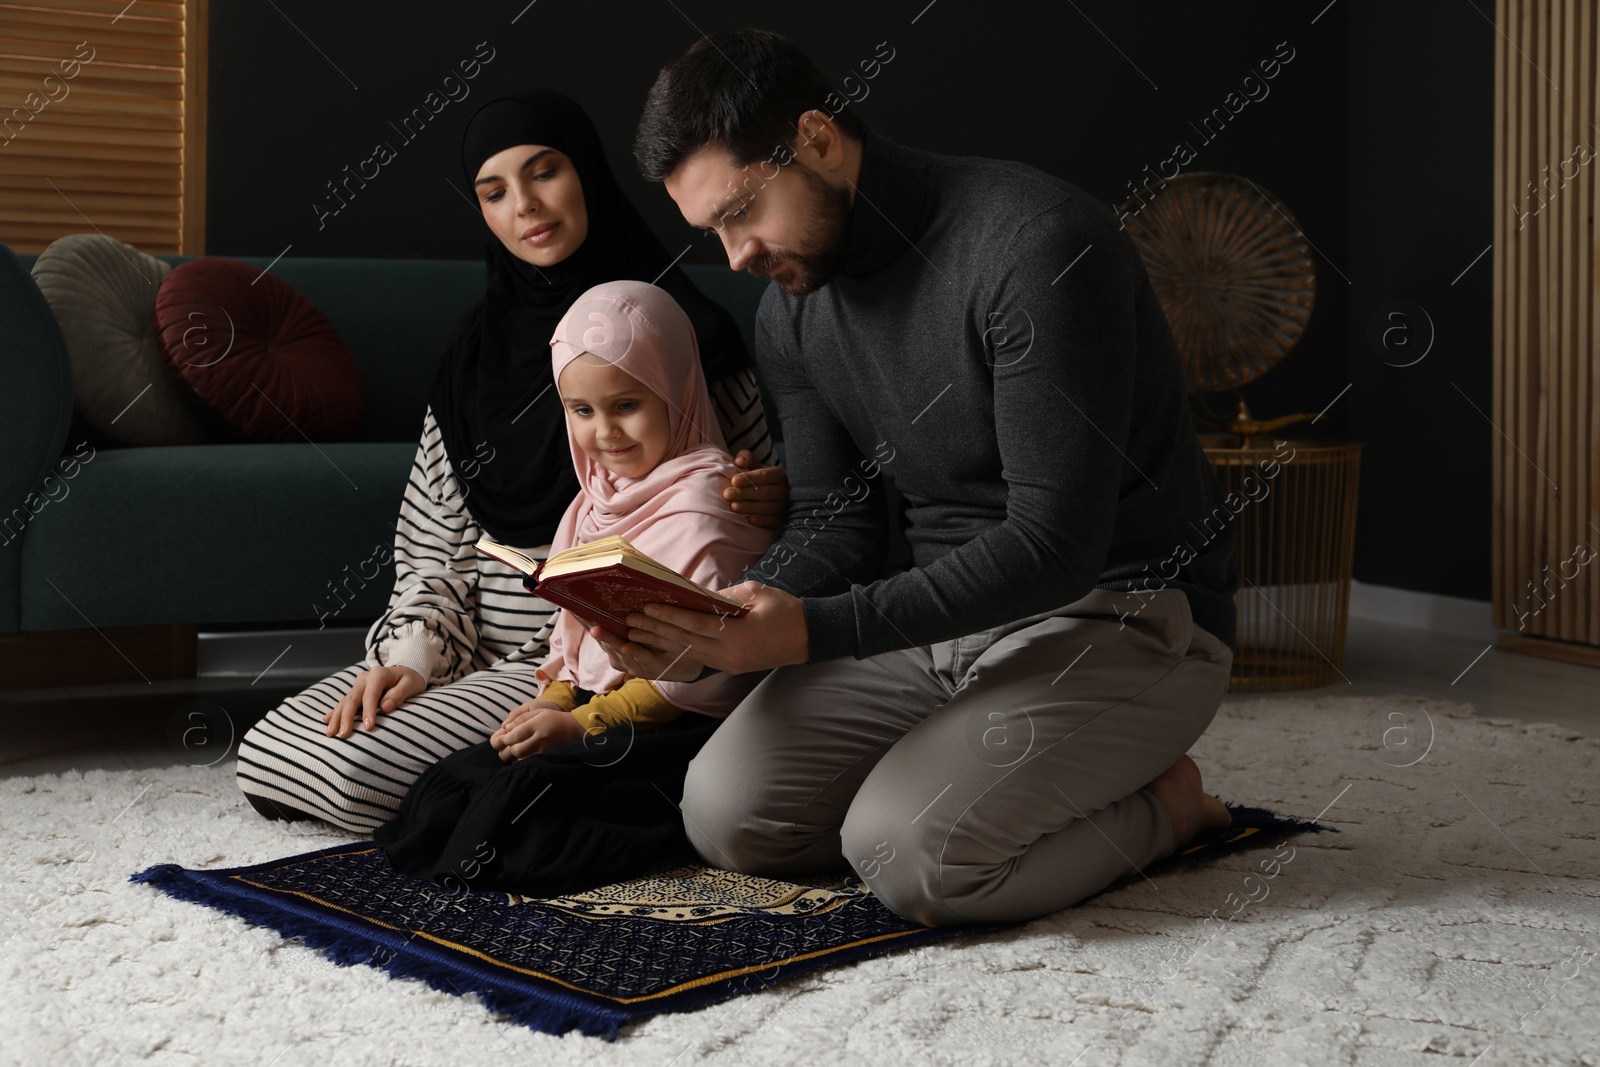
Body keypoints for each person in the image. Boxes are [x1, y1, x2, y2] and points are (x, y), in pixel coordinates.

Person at [590, 29, 1241, 928]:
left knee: (913, 858)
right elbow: (835, 521)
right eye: (712, 231)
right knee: (726, 816)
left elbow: (1057, 545)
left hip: (1123, 610)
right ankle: (957, 777)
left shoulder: (1036, 246)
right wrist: (714, 623)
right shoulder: (792, 308)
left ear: (816, 140)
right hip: (940, 620)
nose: (734, 254)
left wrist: (812, 631)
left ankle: (1167, 809)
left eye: (742, 212)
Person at [234, 89, 787, 835]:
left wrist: (771, 497)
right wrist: (414, 660)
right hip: (462, 636)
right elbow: (431, 548)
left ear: (587, 172)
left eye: (545, 172)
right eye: (494, 192)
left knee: (349, 774)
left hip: (580, 664)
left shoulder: (690, 335)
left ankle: (599, 757)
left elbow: (762, 517)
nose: (525, 205)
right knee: (271, 750)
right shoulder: (468, 358)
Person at [373, 281, 775, 895]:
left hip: (673, 721)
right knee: (448, 786)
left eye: (627, 405)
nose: (605, 433)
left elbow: (700, 673)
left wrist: (587, 723)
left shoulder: (707, 503)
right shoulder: (590, 505)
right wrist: (555, 702)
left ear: (677, 391)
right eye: (582, 411)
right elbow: (575, 634)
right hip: (593, 706)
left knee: (526, 807)